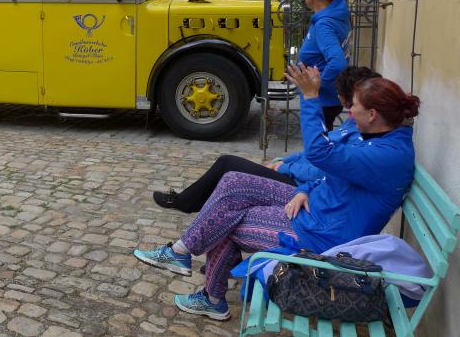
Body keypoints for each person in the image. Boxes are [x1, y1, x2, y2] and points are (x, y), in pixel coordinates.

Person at [134, 65, 419, 321]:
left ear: (372, 114)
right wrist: (305, 190)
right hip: (312, 210)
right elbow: (331, 172)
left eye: (354, 106)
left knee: (226, 222)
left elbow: (321, 154)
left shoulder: (389, 156)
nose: (350, 111)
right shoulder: (374, 137)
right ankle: (182, 254)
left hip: (321, 237)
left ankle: (209, 294)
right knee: (233, 181)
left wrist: (310, 97)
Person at [152, 66, 381, 213]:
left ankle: (185, 203)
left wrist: (285, 168)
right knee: (229, 177)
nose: (343, 106)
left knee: (227, 165)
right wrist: (284, 161)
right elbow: (310, 154)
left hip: (300, 188)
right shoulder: (353, 125)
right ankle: (193, 212)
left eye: (346, 101)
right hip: (296, 180)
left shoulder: (361, 136)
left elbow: (323, 169)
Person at [298, 0, 351, 130]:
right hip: (329, 99)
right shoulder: (335, 13)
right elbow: (319, 2)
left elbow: (338, 63)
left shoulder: (324, 25)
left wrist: (315, 87)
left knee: (318, 144)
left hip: (322, 101)